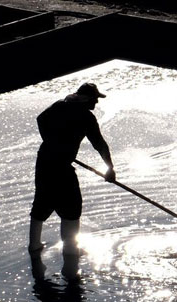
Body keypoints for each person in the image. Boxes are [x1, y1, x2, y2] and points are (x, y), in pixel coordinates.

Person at [28, 82, 115, 257]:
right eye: (94, 99)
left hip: (45, 160)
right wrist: (110, 168)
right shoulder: (86, 117)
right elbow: (99, 144)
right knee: (72, 207)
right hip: (61, 166)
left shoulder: (60, 105)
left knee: (43, 200)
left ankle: (34, 245)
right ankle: (70, 249)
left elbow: (41, 119)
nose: (96, 103)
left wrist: (51, 142)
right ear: (86, 99)